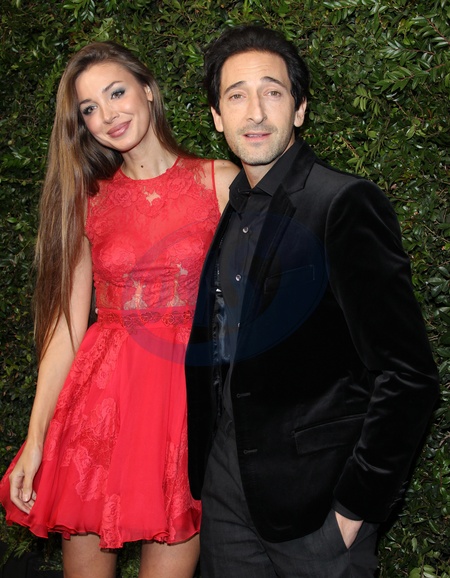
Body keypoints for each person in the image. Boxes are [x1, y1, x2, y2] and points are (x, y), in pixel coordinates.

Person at [185, 25, 440, 578]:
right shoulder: (233, 208)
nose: (255, 112)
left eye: (272, 92)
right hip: (226, 494)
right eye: (236, 96)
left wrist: (354, 509)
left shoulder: (343, 202)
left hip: (318, 506)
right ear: (217, 117)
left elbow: (409, 375)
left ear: (299, 109)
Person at [0, 41, 238, 578]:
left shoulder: (221, 182)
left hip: (187, 408)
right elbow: (66, 328)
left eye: (116, 93)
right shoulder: (88, 198)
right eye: (90, 108)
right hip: (101, 409)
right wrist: (36, 440)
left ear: (148, 91)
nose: (108, 115)